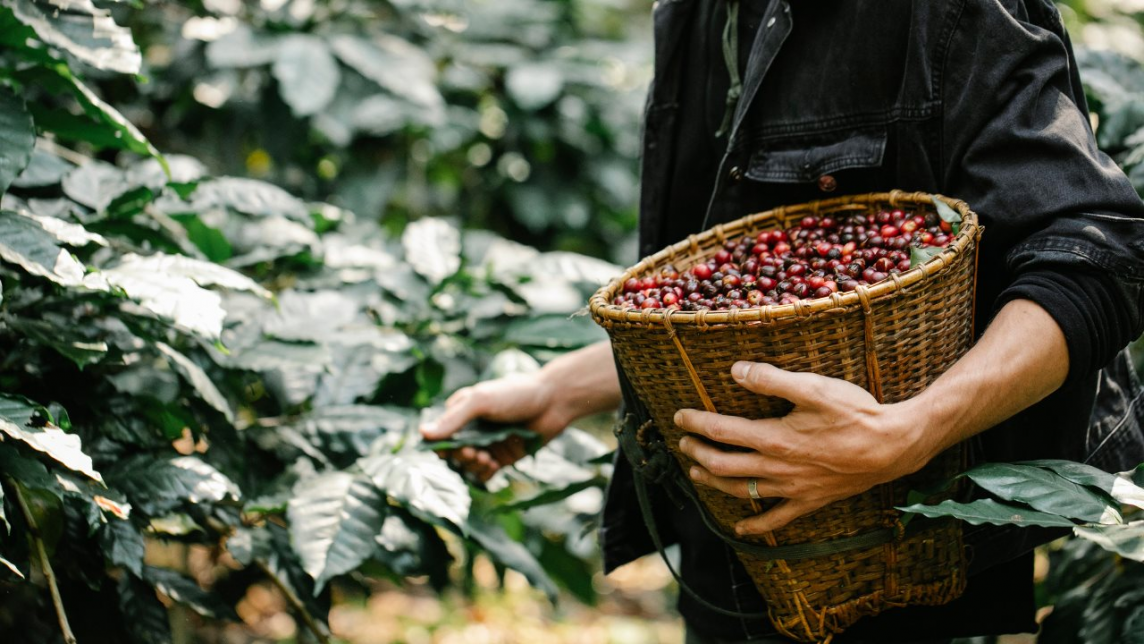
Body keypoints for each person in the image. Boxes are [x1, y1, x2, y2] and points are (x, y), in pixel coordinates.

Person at [421, 1, 1144, 641]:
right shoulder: (697, 15)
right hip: (730, 558)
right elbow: (727, 310)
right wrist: (555, 392)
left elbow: (1096, 259)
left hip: (903, 566)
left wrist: (910, 432)